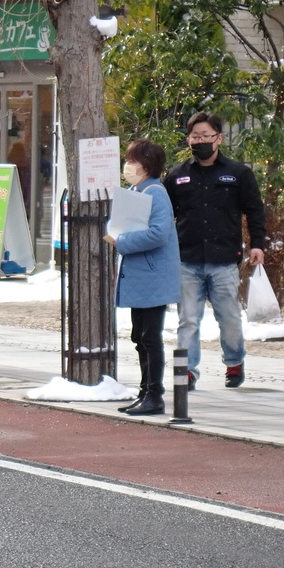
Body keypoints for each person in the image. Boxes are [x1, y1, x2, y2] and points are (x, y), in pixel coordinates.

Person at [164, 112, 267, 390]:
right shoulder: (176, 175)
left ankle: (234, 363)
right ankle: (186, 370)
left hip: (224, 260)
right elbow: (163, 216)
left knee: (229, 317)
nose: (201, 141)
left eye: (206, 136)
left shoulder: (238, 173)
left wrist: (257, 243)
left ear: (219, 138)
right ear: (188, 140)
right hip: (187, 259)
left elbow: (255, 210)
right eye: (195, 137)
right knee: (188, 320)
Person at [105, 139, 181, 416]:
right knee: (141, 336)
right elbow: (119, 221)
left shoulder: (156, 192)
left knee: (150, 336)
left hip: (152, 276)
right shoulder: (135, 190)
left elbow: (159, 233)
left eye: (133, 161)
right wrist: (113, 230)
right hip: (141, 276)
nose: (128, 166)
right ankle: (145, 391)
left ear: (147, 165)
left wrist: (122, 240)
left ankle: (154, 395)